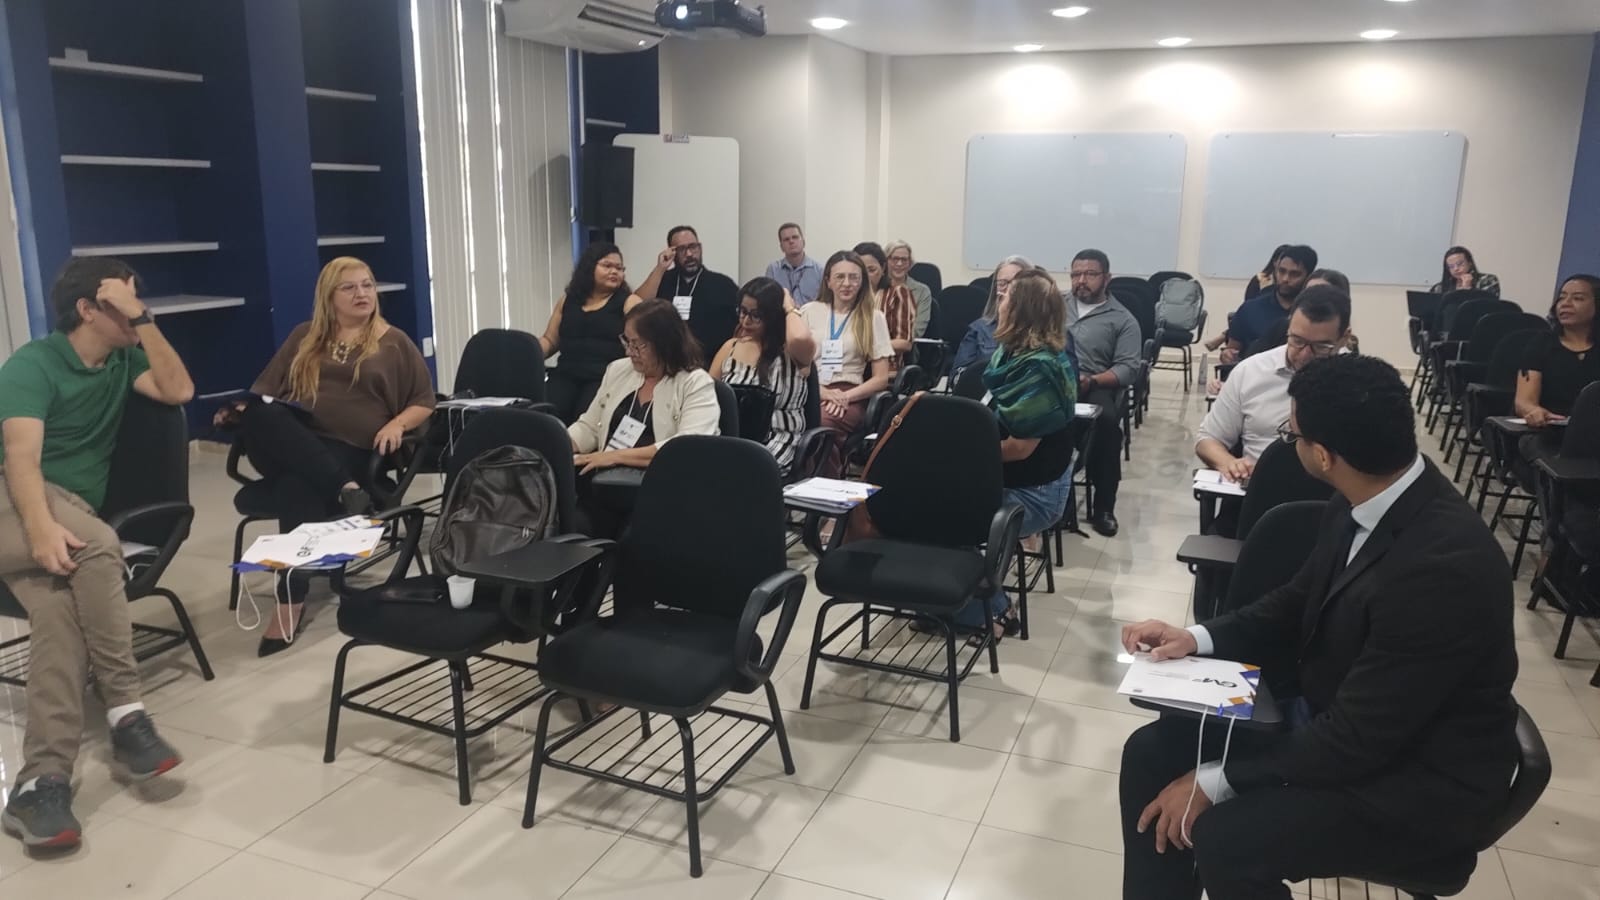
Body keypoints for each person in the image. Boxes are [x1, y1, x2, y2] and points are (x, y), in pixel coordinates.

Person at [1119, 354, 1519, 900]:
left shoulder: (1442, 569)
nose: (1291, 445)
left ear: (1325, 456)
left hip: (1416, 781)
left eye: (1293, 436)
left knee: (1227, 838)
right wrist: (1198, 637)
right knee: (1150, 755)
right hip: (1343, 721)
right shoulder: (1368, 497)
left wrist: (1216, 780)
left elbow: (1356, 741)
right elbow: (1296, 599)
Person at [0, 257, 195, 851]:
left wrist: (143, 320)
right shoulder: (32, 364)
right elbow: (20, 461)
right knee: (99, 546)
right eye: (125, 303)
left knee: (58, 611)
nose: (138, 311)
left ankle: (39, 784)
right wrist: (41, 529)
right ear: (87, 310)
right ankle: (127, 712)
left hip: (65, 508)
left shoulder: (122, 360)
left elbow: (179, 390)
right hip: (15, 498)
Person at [232, 256, 436, 656]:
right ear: (329, 296)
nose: (362, 294)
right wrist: (238, 411)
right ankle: (345, 488)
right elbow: (265, 392)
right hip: (298, 441)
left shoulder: (394, 342)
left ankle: (289, 601)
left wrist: (397, 424)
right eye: (350, 287)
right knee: (260, 413)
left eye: (368, 285)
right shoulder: (304, 336)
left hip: (355, 451)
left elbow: (424, 401)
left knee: (297, 486)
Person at [953, 268, 1077, 641]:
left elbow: (1019, 449)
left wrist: (957, 457)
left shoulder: (1040, 367)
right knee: (924, 500)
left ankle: (993, 613)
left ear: (1022, 309)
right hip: (1005, 476)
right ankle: (950, 602)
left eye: (1007, 295)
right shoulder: (1011, 353)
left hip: (1035, 493)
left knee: (943, 516)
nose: (999, 298)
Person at [569, 299, 720, 537]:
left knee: (631, 539)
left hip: (661, 492)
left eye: (638, 345)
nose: (629, 352)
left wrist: (613, 456)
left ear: (664, 343)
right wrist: (561, 443)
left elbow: (685, 449)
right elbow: (589, 426)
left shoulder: (695, 383)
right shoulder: (618, 370)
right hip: (604, 485)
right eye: (626, 341)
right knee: (571, 526)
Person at [1197, 286, 1351, 484]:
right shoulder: (1251, 371)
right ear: (1289, 326)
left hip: (1334, 495)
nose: (1305, 354)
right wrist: (1229, 463)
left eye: (1321, 346)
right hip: (1258, 489)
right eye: (1297, 340)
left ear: (1344, 338)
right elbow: (1208, 438)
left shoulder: (1359, 383)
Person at [1066, 249, 1141, 537]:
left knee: (1107, 425)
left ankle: (1104, 507)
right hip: (1054, 380)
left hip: (1093, 385)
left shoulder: (1123, 319)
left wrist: (1092, 380)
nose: (1081, 280)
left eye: (1090, 274)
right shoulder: (1055, 305)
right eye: (1076, 274)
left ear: (1107, 278)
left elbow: (1128, 368)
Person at [799, 251, 894, 476]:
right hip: (811, 388)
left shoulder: (873, 317)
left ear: (862, 282)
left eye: (854, 277)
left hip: (850, 393)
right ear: (828, 281)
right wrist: (822, 393)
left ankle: (825, 490)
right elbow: (796, 365)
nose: (847, 283)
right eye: (840, 277)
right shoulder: (809, 311)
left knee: (822, 424)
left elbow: (881, 378)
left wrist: (844, 397)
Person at [711, 277, 817, 467]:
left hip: (778, 439)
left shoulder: (793, 352)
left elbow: (800, 337)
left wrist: (789, 307)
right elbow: (708, 394)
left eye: (756, 315)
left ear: (773, 316)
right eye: (743, 312)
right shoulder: (730, 347)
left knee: (744, 469)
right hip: (733, 438)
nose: (746, 321)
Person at [539, 243, 645, 423]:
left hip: (604, 378)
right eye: (607, 266)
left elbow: (643, 342)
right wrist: (527, 352)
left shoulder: (630, 301)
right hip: (566, 374)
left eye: (619, 268)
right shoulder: (567, 300)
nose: (614, 271)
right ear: (589, 268)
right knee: (547, 414)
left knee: (586, 417)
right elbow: (550, 340)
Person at [638, 225, 740, 356]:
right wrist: (660, 268)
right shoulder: (662, 280)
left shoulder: (723, 284)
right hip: (668, 358)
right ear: (672, 252)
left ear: (700, 248)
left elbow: (740, 326)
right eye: (681, 249)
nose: (689, 254)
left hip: (710, 360)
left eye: (693, 247)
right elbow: (637, 306)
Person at [1517, 275, 1600, 425]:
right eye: (1561, 298)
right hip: (1548, 427)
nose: (1565, 304)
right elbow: (1524, 402)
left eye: (1578, 298)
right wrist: (1533, 411)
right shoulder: (1541, 343)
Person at [1222, 244, 1317, 364]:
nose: (1285, 279)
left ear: (1308, 276)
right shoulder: (1250, 309)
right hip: (1254, 372)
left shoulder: (1315, 314)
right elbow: (1231, 350)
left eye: (1295, 274)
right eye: (1281, 271)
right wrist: (1227, 355)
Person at [952, 255, 1031, 378]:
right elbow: (956, 376)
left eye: (1016, 283)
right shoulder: (979, 329)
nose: (1009, 290)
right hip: (981, 389)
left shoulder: (1043, 330)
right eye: (1002, 283)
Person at [1206, 245, 1289, 353]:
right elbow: (1249, 304)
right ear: (1275, 262)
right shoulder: (1260, 279)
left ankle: (1222, 336)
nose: (1286, 278)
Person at [855, 242, 914, 370]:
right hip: (849, 366)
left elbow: (904, 343)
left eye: (871, 270)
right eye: (860, 271)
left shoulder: (897, 293)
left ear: (883, 268)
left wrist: (864, 348)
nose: (865, 276)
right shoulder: (849, 296)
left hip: (885, 367)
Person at [885, 240, 935, 339]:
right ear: (886, 261)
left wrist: (893, 342)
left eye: (904, 260)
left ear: (910, 263)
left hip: (907, 344)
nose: (899, 264)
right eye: (895, 259)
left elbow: (918, 330)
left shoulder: (922, 291)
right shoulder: (876, 287)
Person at [765, 222, 823, 306]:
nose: (791, 241)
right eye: (786, 239)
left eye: (795, 237)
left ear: (803, 242)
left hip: (810, 313)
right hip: (782, 313)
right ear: (781, 247)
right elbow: (768, 301)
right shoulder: (773, 270)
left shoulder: (819, 270)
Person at [1430, 246, 1500, 297]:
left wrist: (1467, 289)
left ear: (1470, 263)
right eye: (1451, 266)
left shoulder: (1487, 281)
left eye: (1460, 264)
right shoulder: (1439, 288)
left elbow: (1489, 306)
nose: (1456, 269)